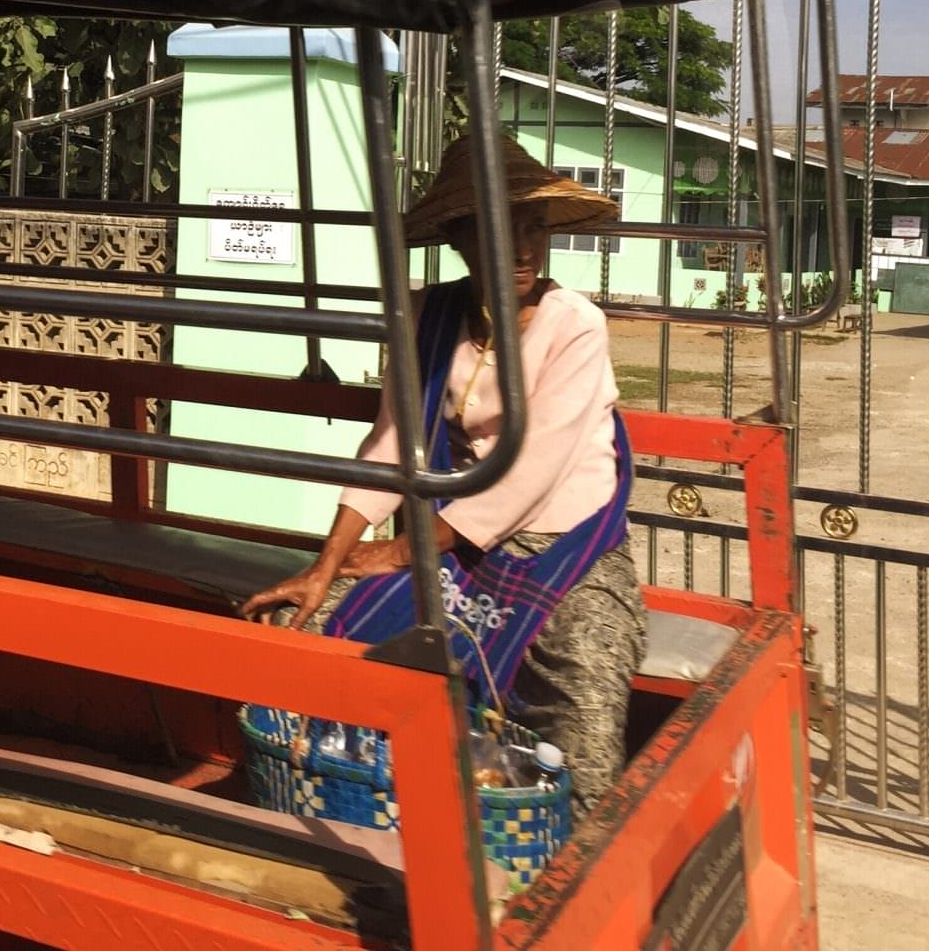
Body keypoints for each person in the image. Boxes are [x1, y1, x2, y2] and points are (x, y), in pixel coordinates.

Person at [242, 134, 643, 813]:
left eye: (534, 227)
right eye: (498, 229)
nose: (523, 248)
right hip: (455, 543)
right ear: (459, 237)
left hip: (563, 545)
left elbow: (529, 474)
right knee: (308, 628)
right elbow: (390, 443)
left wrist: (400, 552)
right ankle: (351, 807)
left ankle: (567, 852)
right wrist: (325, 565)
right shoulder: (428, 316)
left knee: (585, 692)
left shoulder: (575, 325)